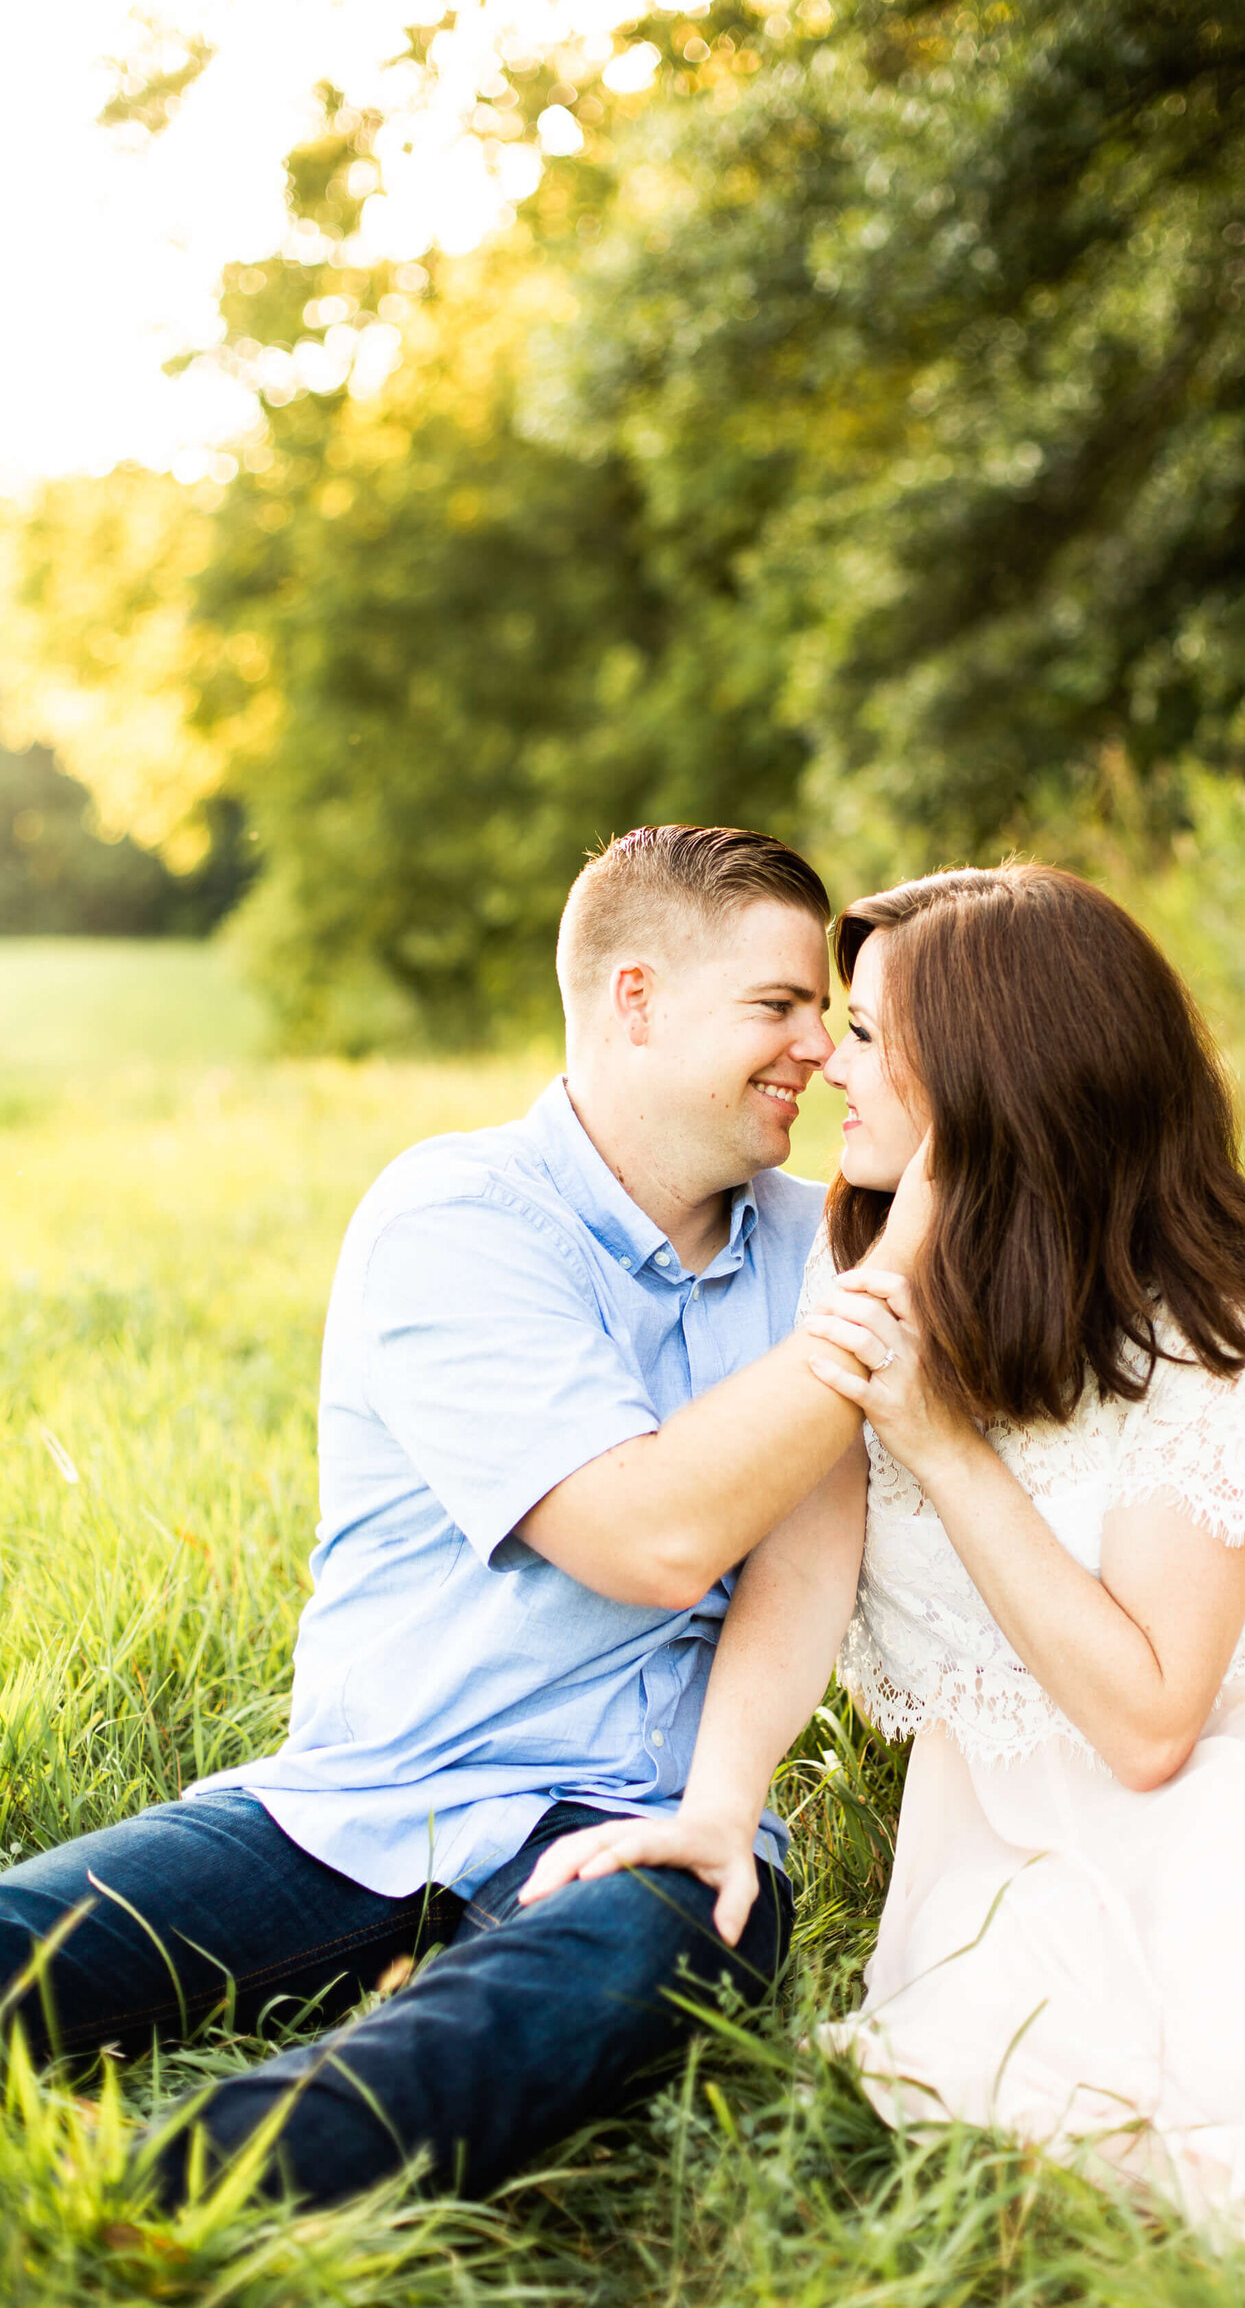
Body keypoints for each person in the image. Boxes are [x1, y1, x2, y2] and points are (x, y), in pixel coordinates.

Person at [528, 862, 1245, 2256]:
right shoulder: (849, 1268)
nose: (828, 1067)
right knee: (1011, 2052)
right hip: (1005, 1807)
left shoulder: (1194, 1332)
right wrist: (722, 1808)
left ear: (983, 1080)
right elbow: (807, 1570)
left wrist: (942, 1439)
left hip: (1237, 1764)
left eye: (865, 1037)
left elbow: (1155, 1725)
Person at [0, 823, 887, 2207]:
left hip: (645, 1824)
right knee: (29, 1942)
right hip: (374, 1794)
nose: (818, 1052)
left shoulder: (825, 1245)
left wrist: (725, 1812)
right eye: (777, 1007)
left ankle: (166, 2204)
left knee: (574, 1987)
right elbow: (645, 1540)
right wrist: (865, 1325)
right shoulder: (458, 1216)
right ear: (635, 998)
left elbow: (806, 1563)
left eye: (826, 1018)